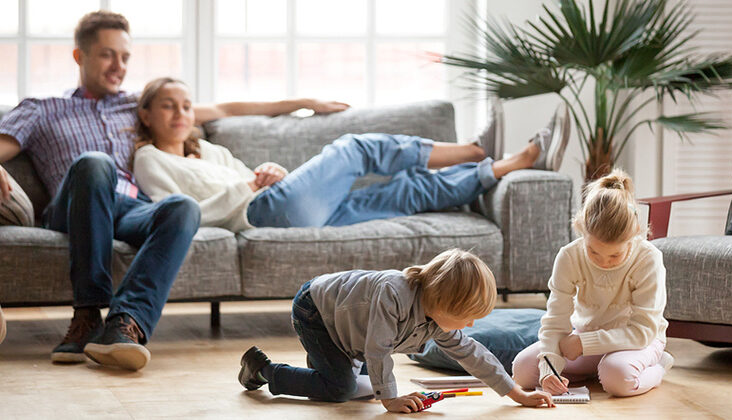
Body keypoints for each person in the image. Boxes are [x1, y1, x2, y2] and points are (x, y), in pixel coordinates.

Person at [0, 11, 347, 370]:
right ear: (80, 56)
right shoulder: (42, 110)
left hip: (128, 207)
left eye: (125, 56)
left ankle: (124, 325)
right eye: (107, 54)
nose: (118, 65)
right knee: (95, 162)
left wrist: (304, 103)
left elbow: (225, 109)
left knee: (181, 206)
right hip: (75, 208)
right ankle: (87, 314)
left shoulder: (136, 106)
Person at [131, 77, 555, 231]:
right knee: (355, 148)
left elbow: (249, 173)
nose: (181, 113)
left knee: (405, 193)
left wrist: (269, 170)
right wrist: (249, 186)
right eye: (168, 105)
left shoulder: (208, 150)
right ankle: (474, 149)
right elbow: (175, 214)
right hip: (263, 213)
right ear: (146, 115)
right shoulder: (149, 159)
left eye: (186, 105)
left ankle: (500, 166)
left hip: (283, 205)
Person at [237, 249, 555, 413]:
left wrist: (518, 394)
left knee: (354, 385)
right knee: (341, 390)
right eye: (466, 317)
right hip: (317, 311)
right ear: (443, 303)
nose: (470, 325)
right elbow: (378, 349)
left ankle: (325, 370)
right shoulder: (393, 293)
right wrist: (390, 399)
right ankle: (263, 370)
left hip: (349, 328)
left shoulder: (437, 320)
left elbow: (474, 354)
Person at [511, 169, 674, 397]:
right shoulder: (569, 256)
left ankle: (656, 367)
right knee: (522, 371)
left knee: (617, 378)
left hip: (637, 342)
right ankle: (596, 369)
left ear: (635, 236)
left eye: (615, 256)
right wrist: (549, 371)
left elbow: (642, 331)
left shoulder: (649, 259)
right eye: (593, 252)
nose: (604, 262)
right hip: (585, 337)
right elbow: (555, 322)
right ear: (581, 230)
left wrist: (583, 343)